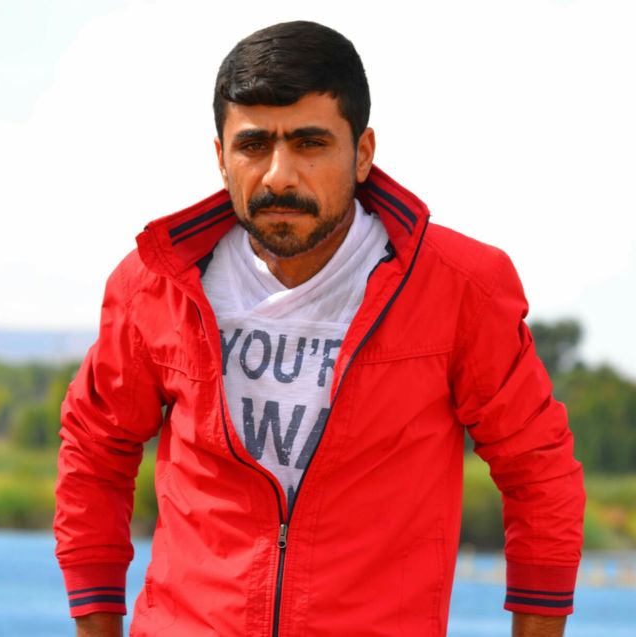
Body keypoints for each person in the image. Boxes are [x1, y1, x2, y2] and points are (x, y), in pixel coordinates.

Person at [54, 20, 585, 637]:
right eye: (254, 145)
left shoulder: (459, 287)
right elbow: (94, 455)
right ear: (221, 157)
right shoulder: (154, 283)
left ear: (362, 153)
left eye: (310, 143)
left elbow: (539, 472)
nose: (279, 175)